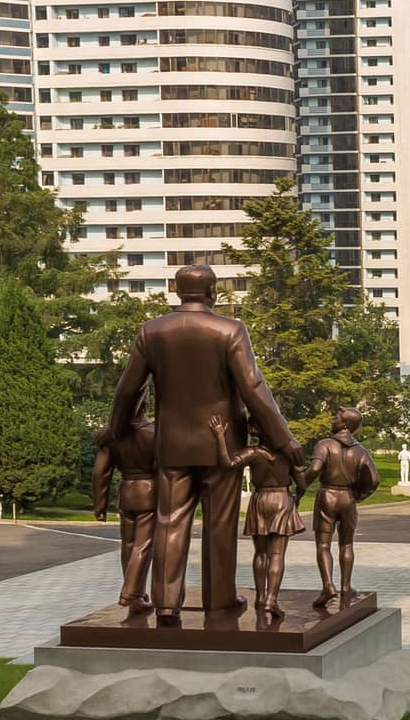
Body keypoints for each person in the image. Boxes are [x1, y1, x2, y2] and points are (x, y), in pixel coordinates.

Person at [106, 264, 300, 625]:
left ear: (177, 290)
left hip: (173, 445)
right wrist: (283, 439)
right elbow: (254, 389)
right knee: (220, 523)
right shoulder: (229, 330)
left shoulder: (152, 331)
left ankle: (166, 603)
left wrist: (116, 429)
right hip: (221, 444)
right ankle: (219, 598)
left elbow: (127, 389)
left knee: (170, 522)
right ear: (212, 290)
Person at [208, 415, 305, 619]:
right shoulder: (288, 453)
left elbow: (227, 463)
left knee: (260, 553)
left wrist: (219, 436)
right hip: (281, 498)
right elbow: (302, 482)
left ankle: (261, 597)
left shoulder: (253, 453)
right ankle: (272, 599)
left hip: (260, 499)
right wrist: (297, 497)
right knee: (277, 555)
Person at [301, 408, 379, 607]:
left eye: (336, 417)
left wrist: (299, 488)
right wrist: (360, 495)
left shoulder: (325, 445)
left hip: (327, 495)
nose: (332, 419)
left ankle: (328, 585)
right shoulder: (360, 450)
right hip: (348, 498)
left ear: (344, 424)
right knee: (347, 545)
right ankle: (346, 586)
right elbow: (374, 479)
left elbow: (315, 469)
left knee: (323, 544)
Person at [92, 389, 157, 614]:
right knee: (144, 544)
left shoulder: (111, 436)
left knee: (128, 544)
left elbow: (100, 473)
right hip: (150, 492)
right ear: (145, 407)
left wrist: (99, 504)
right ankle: (132, 594)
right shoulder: (154, 434)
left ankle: (135, 590)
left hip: (126, 491)